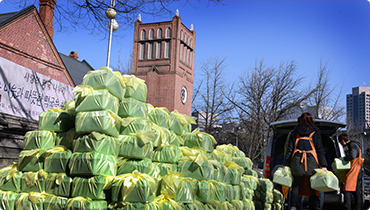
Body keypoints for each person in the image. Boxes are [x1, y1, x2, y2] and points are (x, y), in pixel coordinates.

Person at [284, 113, 328, 210]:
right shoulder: (315, 132)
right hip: (312, 161)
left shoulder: (294, 132)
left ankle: (293, 207)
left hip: (297, 161)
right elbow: (320, 150)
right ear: (311, 120)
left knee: (296, 185)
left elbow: (289, 150)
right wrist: (323, 165)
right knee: (313, 185)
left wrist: (286, 164)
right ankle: (314, 207)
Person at [339, 134, 364, 210]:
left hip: (354, 171)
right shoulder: (356, 144)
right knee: (356, 191)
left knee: (346, 189)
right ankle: (358, 207)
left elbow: (352, 156)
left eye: (341, 142)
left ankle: (347, 207)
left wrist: (343, 158)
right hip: (358, 170)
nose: (341, 144)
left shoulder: (352, 145)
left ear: (343, 141)